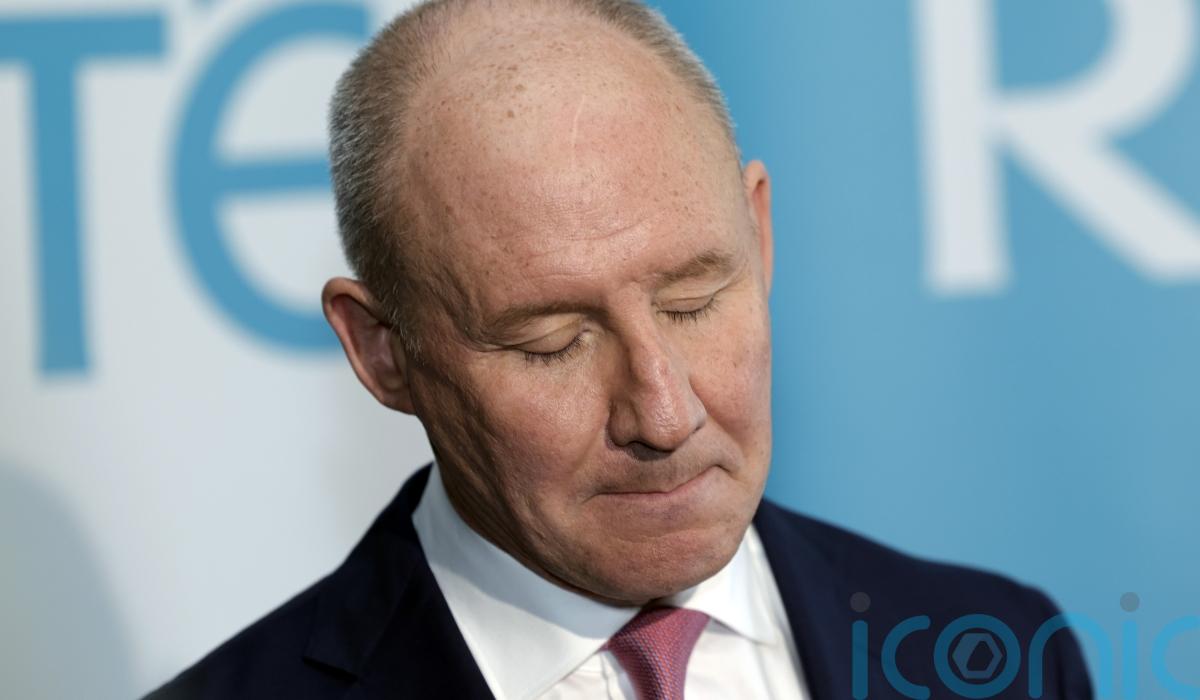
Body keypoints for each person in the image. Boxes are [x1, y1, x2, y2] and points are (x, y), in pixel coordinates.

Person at [147, 0, 1094, 698]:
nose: (664, 414)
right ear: (384, 352)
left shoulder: (1001, 652)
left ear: (760, 237)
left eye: (692, 301)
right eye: (552, 342)